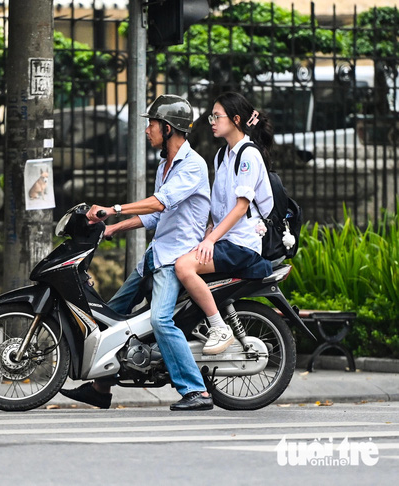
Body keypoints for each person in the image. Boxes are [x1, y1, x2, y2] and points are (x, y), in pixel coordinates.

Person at [60, 94, 214, 412]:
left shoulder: (193, 165)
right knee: (110, 317)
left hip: (175, 259)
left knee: (160, 319)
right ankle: (101, 389)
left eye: (153, 124)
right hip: (156, 254)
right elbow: (155, 217)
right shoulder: (165, 165)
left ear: (169, 128)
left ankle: (196, 391)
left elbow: (159, 203)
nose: (148, 129)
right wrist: (113, 228)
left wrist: (113, 209)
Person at [174, 91, 275, 355]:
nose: (212, 121)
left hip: (242, 243)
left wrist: (210, 239)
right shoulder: (222, 156)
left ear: (236, 119)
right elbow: (220, 205)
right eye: (211, 116)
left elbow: (241, 208)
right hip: (224, 238)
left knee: (184, 266)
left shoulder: (248, 156)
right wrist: (208, 229)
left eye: (217, 116)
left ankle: (219, 326)